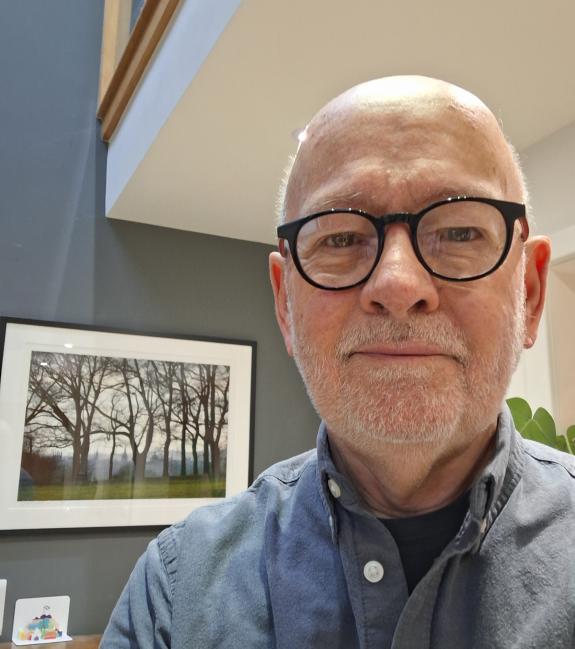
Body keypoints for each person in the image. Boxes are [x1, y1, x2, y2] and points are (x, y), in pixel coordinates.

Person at [101, 76, 575, 649]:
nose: (399, 284)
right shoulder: (174, 595)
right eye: (342, 238)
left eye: (458, 230)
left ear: (529, 291)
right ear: (284, 302)